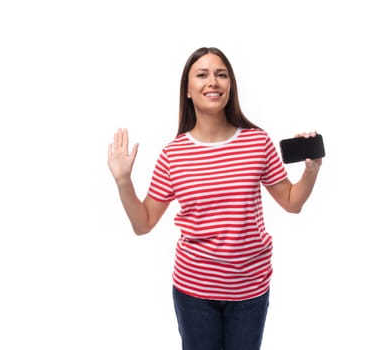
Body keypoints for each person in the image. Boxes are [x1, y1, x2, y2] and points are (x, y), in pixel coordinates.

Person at [107, 47, 322, 350]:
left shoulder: (257, 142)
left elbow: (291, 202)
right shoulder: (173, 155)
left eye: (222, 75)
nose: (214, 82)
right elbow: (143, 224)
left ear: (230, 86)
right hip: (194, 291)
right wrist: (123, 181)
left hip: (250, 289)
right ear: (188, 90)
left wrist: (311, 172)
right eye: (202, 75)